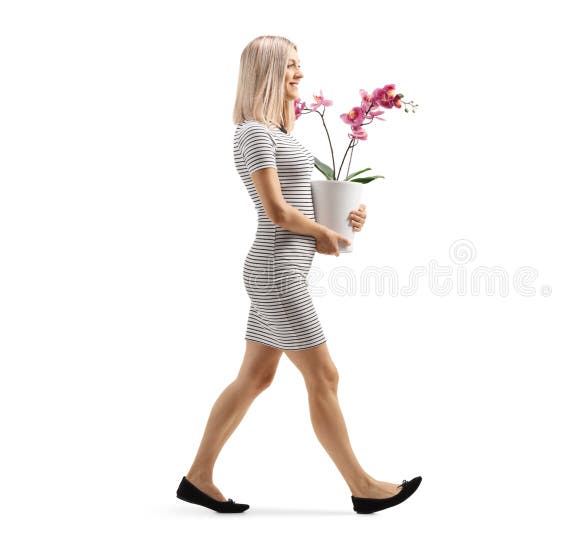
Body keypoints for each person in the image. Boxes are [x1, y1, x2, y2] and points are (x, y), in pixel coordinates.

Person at [175, 35, 421, 515]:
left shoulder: (281, 133)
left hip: (282, 268)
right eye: (290, 65)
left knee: (255, 377)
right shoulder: (252, 134)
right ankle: (363, 487)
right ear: (267, 72)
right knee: (324, 374)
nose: (300, 74)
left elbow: (300, 204)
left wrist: (344, 220)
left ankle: (197, 478)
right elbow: (276, 211)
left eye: (299, 65)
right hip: (276, 271)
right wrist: (318, 233)